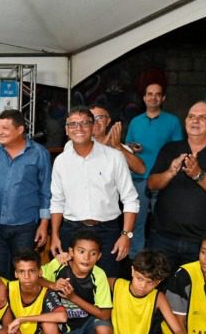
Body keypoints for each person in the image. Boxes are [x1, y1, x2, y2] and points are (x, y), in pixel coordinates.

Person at [50, 106, 139, 279]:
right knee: (69, 283)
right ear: (67, 130)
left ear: (93, 127)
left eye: (84, 123)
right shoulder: (61, 161)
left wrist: (126, 235)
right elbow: (57, 201)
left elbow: (130, 199)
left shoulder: (114, 157)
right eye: (73, 124)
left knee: (108, 282)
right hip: (72, 229)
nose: (79, 129)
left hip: (108, 230)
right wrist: (54, 235)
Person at [148, 101, 206, 272]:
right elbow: (152, 184)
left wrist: (198, 174)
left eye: (203, 117)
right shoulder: (170, 149)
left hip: (200, 242)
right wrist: (170, 172)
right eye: (191, 116)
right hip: (163, 237)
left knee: (193, 291)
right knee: (155, 287)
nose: (195, 121)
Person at [0, 109, 51, 279]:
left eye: (5, 128)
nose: (0, 132)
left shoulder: (39, 153)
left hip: (26, 226)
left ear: (20, 130)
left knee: (23, 273)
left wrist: (44, 224)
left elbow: (46, 191)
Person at [41, 230, 113, 334]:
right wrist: (52, 285)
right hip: (65, 321)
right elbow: (36, 278)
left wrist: (74, 298)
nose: (86, 258)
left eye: (92, 253)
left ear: (99, 256)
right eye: (81, 251)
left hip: (86, 319)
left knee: (105, 330)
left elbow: (105, 313)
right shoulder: (59, 265)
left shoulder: (99, 275)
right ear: (71, 252)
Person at [125, 83, 184, 257]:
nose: (153, 97)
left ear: (163, 98)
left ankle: (159, 258)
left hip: (162, 179)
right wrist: (132, 147)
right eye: (149, 94)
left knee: (162, 222)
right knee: (137, 221)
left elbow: (177, 147)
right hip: (138, 178)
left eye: (157, 94)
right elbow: (126, 146)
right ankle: (135, 258)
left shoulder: (172, 121)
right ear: (144, 98)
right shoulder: (135, 122)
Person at [90, 104, 145, 175]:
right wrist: (106, 142)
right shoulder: (75, 146)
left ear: (108, 121)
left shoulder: (117, 145)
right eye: (91, 118)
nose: (95, 122)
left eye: (100, 118)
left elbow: (141, 169)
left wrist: (119, 147)